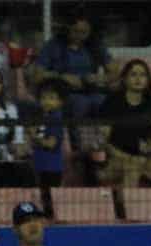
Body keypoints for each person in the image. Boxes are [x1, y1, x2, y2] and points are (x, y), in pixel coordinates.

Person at [28, 9, 109, 144]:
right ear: (67, 29)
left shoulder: (95, 45)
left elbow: (115, 72)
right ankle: (77, 145)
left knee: (105, 101)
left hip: (91, 90)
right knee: (81, 104)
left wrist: (96, 78)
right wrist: (62, 77)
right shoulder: (53, 45)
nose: (80, 36)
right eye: (76, 31)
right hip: (64, 93)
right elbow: (37, 75)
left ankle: (102, 146)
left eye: (84, 32)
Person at [96, 59, 151, 189]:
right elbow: (103, 140)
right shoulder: (112, 101)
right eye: (133, 74)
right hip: (116, 159)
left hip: (146, 158)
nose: (138, 79)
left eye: (142, 75)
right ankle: (128, 209)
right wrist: (127, 157)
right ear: (124, 79)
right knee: (132, 167)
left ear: (148, 79)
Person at [31, 79, 67, 214]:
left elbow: (51, 143)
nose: (47, 101)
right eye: (44, 97)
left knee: (49, 204)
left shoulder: (56, 118)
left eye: (51, 98)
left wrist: (34, 137)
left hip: (51, 168)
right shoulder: (42, 117)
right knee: (41, 200)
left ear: (60, 102)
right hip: (40, 166)